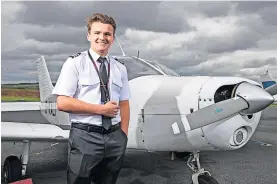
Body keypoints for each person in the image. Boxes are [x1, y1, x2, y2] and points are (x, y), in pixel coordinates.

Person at [52, 13, 130, 184]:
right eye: (97, 33)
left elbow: (124, 103)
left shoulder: (119, 68)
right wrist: (101, 110)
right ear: (89, 35)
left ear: (113, 38)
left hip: (115, 137)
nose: (102, 37)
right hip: (85, 136)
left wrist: (123, 135)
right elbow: (62, 102)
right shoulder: (74, 64)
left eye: (107, 34)